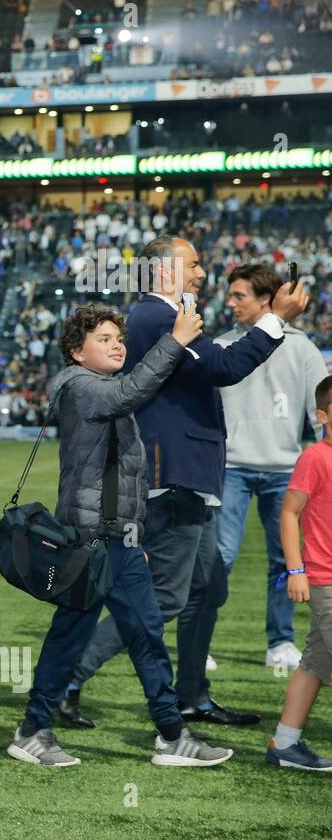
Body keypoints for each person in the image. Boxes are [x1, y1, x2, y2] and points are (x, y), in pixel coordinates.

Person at [62, 235, 308, 730]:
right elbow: (225, 368)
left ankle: (193, 694)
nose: (201, 273)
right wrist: (275, 319)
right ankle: (66, 676)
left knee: (206, 590)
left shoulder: (164, 318)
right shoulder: (157, 319)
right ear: (161, 272)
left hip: (185, 473)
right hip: (169, 474)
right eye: (193, 264)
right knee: (169, 596)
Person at [10, 303, 232, 767]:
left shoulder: (100, 387)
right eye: (103, 339)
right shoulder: (79, 388)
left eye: (118, 338)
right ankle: (33, 729)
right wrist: (175, 341)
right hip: (90, 538)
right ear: (76, 352)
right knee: (72, 636)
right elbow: (130, 393)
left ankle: (171, 735)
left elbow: (125, 477)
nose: (116, 346)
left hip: (118, 539)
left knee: (147, 633)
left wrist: (136, 534)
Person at [215, 264, 328, 669]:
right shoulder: (221, 344)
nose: (230, 303)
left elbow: (322, 409)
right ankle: (201, 642)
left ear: (266, 299)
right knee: (220, 558)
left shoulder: (301, 347)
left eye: (238, 295)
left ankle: (280, 642)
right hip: (230, 468)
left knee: (286, 559)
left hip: (286, 470)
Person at [269, 374, 332, 771]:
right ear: (322, 415)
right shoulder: (315, 458)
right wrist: (296, 570)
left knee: (315, 664)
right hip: (326, 579)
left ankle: (285, 745)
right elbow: (289, 514)